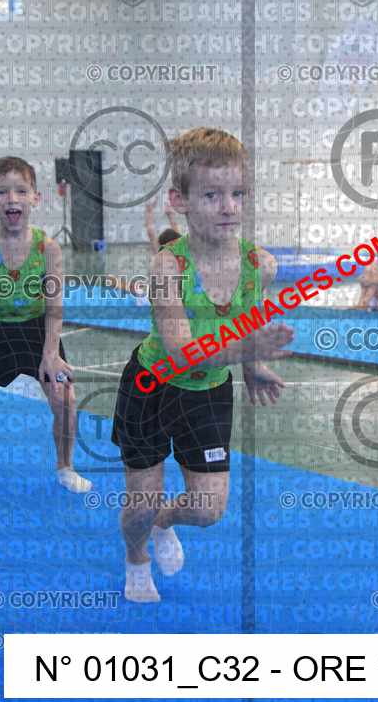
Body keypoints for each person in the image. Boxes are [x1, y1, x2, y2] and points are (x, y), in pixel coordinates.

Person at [111, 127, 294, 603]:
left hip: (207, 393)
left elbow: (246, 317)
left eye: (237, 194)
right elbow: (180, 353)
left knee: (209, 509)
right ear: (181, 201)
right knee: (141, 501)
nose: (228, 207)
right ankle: (136, 556)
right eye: (212, 195)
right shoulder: (168, 268)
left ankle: (163, 522)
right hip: (152, 387)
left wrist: (252, 367)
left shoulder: (260, 265)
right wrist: (245, 351)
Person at [0, 157, 91, 492]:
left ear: (35, 198)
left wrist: (51, 354)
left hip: (36, 330)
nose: (12, 199)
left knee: (65, 398)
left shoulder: (48, 248)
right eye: (2, 192)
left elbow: (55, 307)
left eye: (20, 191)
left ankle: (65, 467)